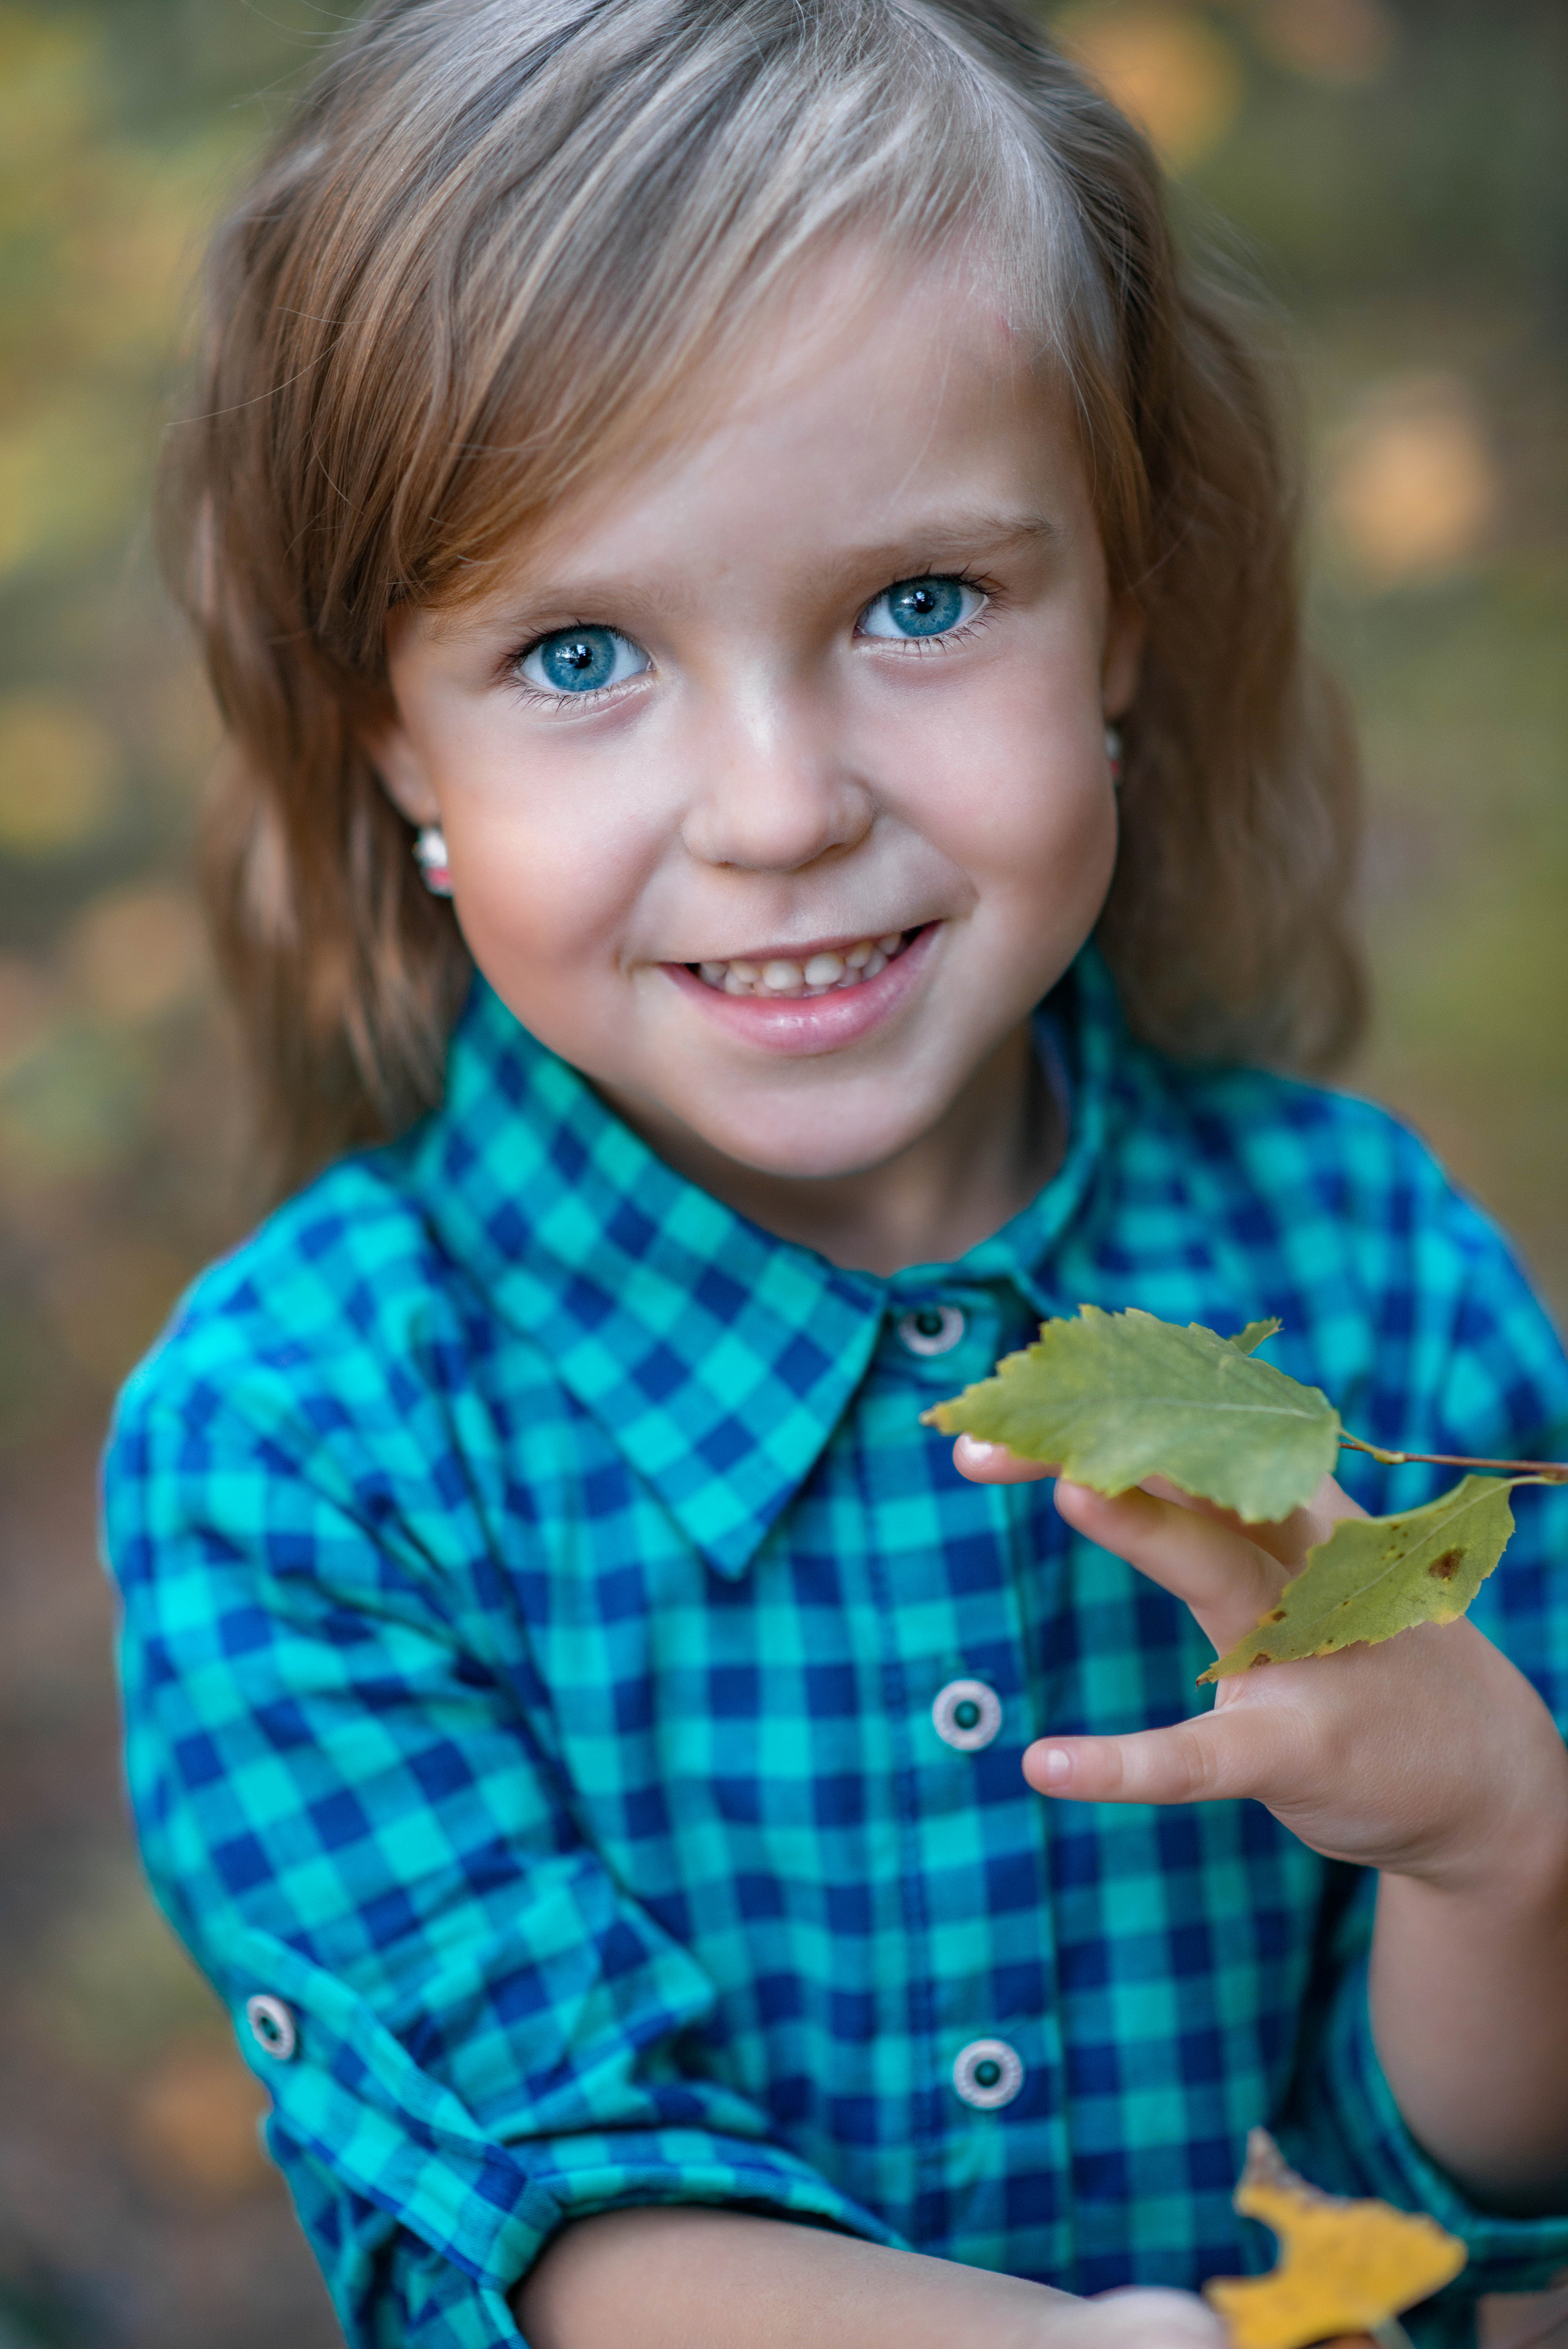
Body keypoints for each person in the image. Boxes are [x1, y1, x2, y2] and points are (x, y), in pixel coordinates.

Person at [102, 2, 1568, 2345]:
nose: (778, 806)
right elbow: (549, 2216)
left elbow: (1489, 2185)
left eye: (919, 605)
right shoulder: (304, 1447)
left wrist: (1502, 1849)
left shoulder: (1373, 1285)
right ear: (393, 734)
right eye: (580, 649)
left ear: (1128, 613)